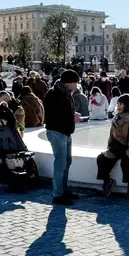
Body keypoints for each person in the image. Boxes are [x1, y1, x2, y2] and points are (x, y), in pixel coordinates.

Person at [44, 70, 82, 206]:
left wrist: (73, 114)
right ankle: (58, 194)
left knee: (66, 162)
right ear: (69, 82)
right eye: (75, 83)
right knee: (60, 164)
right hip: (57, 132)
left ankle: (63, 190)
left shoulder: (63, 93)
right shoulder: (55, 94)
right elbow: (56, 115)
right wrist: (72, 117)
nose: (76, 86)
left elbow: (63, 112)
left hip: (64, 132)